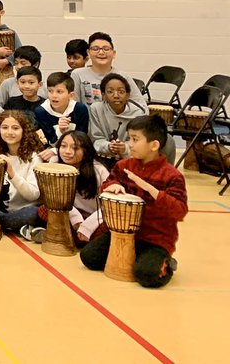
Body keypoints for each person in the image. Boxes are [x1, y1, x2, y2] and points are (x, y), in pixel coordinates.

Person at [80, 115, 187, 288]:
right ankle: (138, 257)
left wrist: (151, 190)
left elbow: (180, 210)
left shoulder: (172, 175)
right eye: (129, 138)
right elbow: (108, 182)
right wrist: (113, 185)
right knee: (89, 257)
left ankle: (166, 262)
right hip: (120, 232)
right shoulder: (124, 166)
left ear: (154, 145)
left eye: (135, 139)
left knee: (147, 275)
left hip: (155, 239)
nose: (130, 144)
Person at [24, 131, 107, 245]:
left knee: (106, 228)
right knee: (44, 210)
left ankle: (54, 236)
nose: (67, 151)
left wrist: (88, 226)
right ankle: (68, 238)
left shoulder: (98, 170)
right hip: (70, 215)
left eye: (75, 148)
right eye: (63, 146)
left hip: (96, 217)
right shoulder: (54, 163)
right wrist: (76, 219)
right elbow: (54, 199)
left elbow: (109, 207)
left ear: (86, 151)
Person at [90, 73, 173, 164]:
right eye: (110, 92)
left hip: (130, 158)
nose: (116, 95)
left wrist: (125, 148)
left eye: (121, 92)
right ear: (103, 95)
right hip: (101, 158)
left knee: (169, 141)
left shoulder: (138, 113)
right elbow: (95, 139)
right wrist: (109, 146)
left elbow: (141, 142)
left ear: (128, 95)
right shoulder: (96, 109)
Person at [73, 32, 145, 107]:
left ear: (113, 53)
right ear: (88, 53)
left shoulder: (123, 76)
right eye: (95, 49)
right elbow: (73, 107)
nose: (101, 52)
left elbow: (142, 107)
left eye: (106, 49)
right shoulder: (78, 75)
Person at [33, 72, 89, 145]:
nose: (54, 95)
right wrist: (60, 131)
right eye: (50, 91)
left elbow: (82, 139)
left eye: (59, 92)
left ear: (71, 95)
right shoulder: (41, 111)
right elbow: (49, 141)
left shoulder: (80, 109)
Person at [0, 49, 46, 114]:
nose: (18, 67)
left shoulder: (45, 87)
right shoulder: (8, 84)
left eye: (23, 63)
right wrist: (7, 115)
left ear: (35, 65)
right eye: (16, 63)